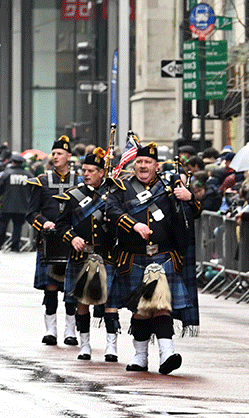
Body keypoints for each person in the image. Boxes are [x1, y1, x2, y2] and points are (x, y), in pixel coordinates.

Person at [102, 142, 200, 374]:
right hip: (133, 257)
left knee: (162, 305)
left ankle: (168, 354)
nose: (143, 166)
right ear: (134, 165)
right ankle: (140, 356)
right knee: (141, 309)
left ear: (157, 165)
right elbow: (112, 211)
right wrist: (134, 224)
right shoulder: (123, 187)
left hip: (164, 255)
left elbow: (193, 212)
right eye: (139, 162)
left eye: (147, 162)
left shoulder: (169, 187)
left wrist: (189, 196)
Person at [42, 148, 121, 361]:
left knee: (110, 304)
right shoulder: (74, 195)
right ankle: (85, 345)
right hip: (81, 257)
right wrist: (72, 237)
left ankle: (111, 346)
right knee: (82, 303)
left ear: (102, 172)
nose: (86, 174)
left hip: (106, 255)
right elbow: (61, 224)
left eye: (91, 171)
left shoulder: (114, 194)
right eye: (84, 170)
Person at [28, 136, 80, 346]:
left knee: (72, 289)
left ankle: (71, 331)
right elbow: (31, 213)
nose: (56, 157)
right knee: (50, 288)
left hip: (72, 241)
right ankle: (51, 330)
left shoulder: (79, 181)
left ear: (69, 156)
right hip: (48, 242)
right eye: (54, 153)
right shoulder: (41, 181)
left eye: (60, 154)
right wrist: (44, 223)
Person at [0, 153, 36, 252]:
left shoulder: (7, 173)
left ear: (13, 162)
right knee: (18, 227)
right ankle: (15, 246)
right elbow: (34, 188)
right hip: (23, 205)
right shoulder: (28, 175)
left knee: (2, 225)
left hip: (7, 205)